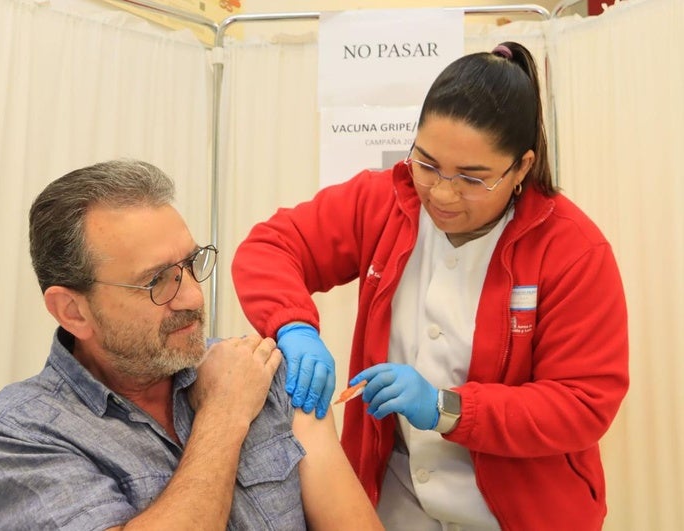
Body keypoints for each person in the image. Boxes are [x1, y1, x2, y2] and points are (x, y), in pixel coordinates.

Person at [231, 41, 629, 530]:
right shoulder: (383, 203)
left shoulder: (572, 251)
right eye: (428, 164)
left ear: (521, 167)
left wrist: (447, 408)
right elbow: (270, 246)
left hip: (520, 512)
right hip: (395, 501)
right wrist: (293, 324)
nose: (441, 193)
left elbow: (581, 404)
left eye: (471, 178)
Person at [0, 160, 384, 530]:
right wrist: (223, 415)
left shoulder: (258, 370)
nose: (194, 297)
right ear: (72, 311)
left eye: (191, 265)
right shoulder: (9, 439)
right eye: (155, 281)